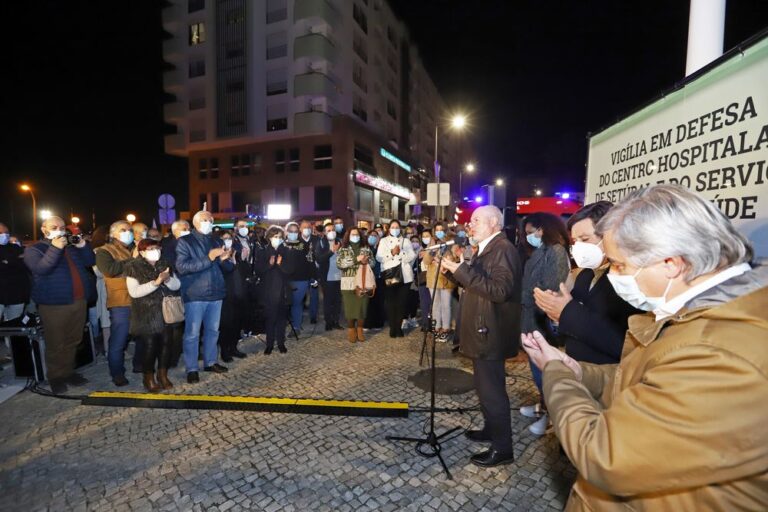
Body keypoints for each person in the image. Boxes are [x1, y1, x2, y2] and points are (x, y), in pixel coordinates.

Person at [522, 184, 767, 511]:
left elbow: (604, 455)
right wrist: (579, 371)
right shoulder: (696, 315)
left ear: (671, 263)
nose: (615, 275)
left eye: (620, 266)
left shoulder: (724, 353)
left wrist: (555, 372)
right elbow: (641, 380)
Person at [440, 206, 521, 468]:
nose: (470, 224)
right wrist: (457, 273)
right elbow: (479, 284)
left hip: (491, 331)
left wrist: (462, 271)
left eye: (476, 220)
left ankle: (503, 449)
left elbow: (499, 290)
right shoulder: (487, 248)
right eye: (471, 220)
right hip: (482, 328)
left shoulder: (503, 249)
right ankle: (491, 429)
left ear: (494, 222)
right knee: (485, 389)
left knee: (492, 392)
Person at [534, 201, 641, 366]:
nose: (579, 247)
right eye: (575, 241)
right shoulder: (585, 274)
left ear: (610, 235)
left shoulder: (629, 279)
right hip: (578, 367)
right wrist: (556, 311)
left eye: (585, 239)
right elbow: (572, 318)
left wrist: (567, 311)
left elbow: (626, 344)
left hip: (608, 372)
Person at [24, 216, 96, 394]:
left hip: (78, 300)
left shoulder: (70, 247)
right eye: (54, 227)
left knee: (74, 339)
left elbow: (90, 261)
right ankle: (55, 377)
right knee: (56, 342)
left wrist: (83, 246)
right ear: (44, 230)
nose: (59, 229)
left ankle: (68, 372)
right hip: (54, 304)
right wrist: (55, 248)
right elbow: (42, 269)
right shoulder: (35, 249)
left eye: (62, 227)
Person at [519, 212, 571, 435]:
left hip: (541, 317)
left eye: (531, 232)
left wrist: (523, 296)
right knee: (536, 366)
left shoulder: (556, 251)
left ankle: (550, 415)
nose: (528, 237)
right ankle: (542, 405)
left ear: (543, 229)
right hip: (531, 316)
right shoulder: (541, 250)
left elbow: (550, 286)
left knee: (546, 370)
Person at [175, 210, 233, 383]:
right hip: (195, 294)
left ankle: (210, 361)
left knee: (213, 331)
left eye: (211, 220)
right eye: (205, 219)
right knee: (192, 334)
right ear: (195, 223)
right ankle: (192, 368)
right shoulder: (185, 241)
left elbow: (226, 268)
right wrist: (209, 257)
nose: (209, 222)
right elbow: (182, 267)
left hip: (216, 292)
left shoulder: (216, 240)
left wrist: (225, 260)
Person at [124, 238, 181, 392]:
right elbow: (134, 292)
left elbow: (177, 285)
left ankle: (163, 375)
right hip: (146, 313)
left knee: (167, 344)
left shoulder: (165, 263)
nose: (155, 251)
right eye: (150, 249)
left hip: (166, 312)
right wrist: (155, 283)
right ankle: (148, 377)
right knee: (150, 347)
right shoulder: (133, 267)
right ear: (142, 252)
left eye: (157, 248)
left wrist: (167, 280)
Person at [95, 220, 139, 386]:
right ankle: (117, 372)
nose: (128, 232)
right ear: (113, 233)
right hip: (121, 300)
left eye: (130, 230)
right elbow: (110, 270)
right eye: (123, 230)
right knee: (119, 339)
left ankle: (139, 365)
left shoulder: (134, 248)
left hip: (140, 298)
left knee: (143, 336)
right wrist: (133, 259)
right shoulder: (104, 251)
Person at [254, 226, 293, 354]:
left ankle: (281, 343)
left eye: (280, 237)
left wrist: (281, 264)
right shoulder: (263, 251)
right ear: (269, 237)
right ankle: (269, 344)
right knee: (270, 319)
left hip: (282, 291)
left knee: (281, 319)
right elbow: (258, 271)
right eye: (275, 236)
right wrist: (269, 264)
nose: (278, 239)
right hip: (268, 291)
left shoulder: (286, 251)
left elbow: (290, 270)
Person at [376, 220, 416, 338]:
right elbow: (379, 257)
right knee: (390, 302)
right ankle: (392, 327)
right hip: (390, 275)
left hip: (405, 276)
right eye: (392, 227)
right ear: (389, 229)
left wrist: (401, 253)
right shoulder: (383, 241)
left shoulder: (406, 241)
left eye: (397, 227)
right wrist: (392, 253)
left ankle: (398, 327)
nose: (395, 229)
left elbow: (412, 256)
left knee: (401, 303)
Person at [338, 227, 374, 342]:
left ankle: (360, 330)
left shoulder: (366, 248)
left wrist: (367, 261)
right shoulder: (343, 249)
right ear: (348, 236)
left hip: (363, 282)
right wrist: (356, 259)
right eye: (352, 234)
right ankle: (351, 330)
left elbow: (373, 262)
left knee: (362, 308)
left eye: (357, 234)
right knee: (350, 309)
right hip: (348, 283)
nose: (355, 236)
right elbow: (340, 264)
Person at [217, 229, 249, 362]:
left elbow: (244, 271)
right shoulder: (218, 256)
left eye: (229, 238)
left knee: (237, 322)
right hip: (226, 295)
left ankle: (234, 347)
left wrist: (241, 259)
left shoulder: (236, 252)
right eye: (225, 238)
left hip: (239, 293)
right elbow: (224, 271)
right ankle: (225, 351)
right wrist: (227, 261)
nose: (228, 241)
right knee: (226, 324)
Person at [422, 231, 458, 341]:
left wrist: (441, 259)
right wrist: (432, 251)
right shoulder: (432, 246)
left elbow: (454, 260)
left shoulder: (450, 245)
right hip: (433, 279)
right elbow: (426, 261)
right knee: (435, 305)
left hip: (447, 280)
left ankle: (446, 328)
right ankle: (436, 328)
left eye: (441, 230)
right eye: (437, 231)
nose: (439, 234)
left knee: (446, 305)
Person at [283, 221, 317, 332]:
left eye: (295, 231)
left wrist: (313, 277)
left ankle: (296, 326)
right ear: (286, 232)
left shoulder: (303, 245)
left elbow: (310, 262)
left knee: (296, 303)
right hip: (284, 279)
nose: (293, 233)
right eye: (290, 231)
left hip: (301, 279)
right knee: (286, 303)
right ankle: (285, 324)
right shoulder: (282, 245)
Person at [0, 222, 30, 322]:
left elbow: (25, 264)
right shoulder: (16, 251)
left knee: (14, 326)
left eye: (6, 232)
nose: (4, 235)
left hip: (17, 296)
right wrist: (15, 260)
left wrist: (7, 261)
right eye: (1, 233)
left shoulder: (15, 248)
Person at [315, 223, 343, 331]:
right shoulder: (321, 243)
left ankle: (336, 321)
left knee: (338, 301)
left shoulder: (340, 242)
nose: (331, 232)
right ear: (325, 232)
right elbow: (319, 259)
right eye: (328, 230)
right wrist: (331, 251)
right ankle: (328, 322)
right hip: (327, 277)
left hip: (339, 276)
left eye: (333, 229)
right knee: (328, 301)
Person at [363, 231, 386, 330]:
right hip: (367, 278)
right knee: (368, 301)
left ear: (378, 238)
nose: (373, 237)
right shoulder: (365, 248)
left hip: (379, 277)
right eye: (371, 235)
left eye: (375, 236)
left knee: (379, 301)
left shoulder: (382, 248)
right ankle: (367, 323)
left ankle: (378, 322)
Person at [416, 229, 433, 332]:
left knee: (432, 301)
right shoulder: (420, 249)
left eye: (427, 236)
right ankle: (425, 323)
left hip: (432, 277)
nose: (425, 238)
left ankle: (432, 324)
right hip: (422, 277)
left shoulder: (434, 248)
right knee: (424, 302)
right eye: (423, 236)